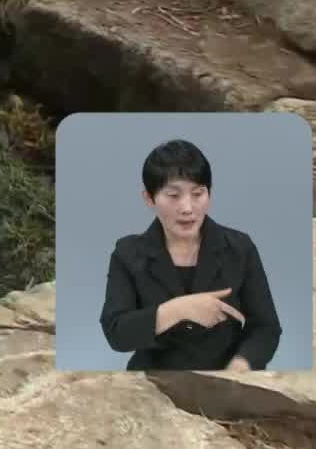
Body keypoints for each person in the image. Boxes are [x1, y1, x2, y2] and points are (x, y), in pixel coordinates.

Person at [98, 139, 282, 371]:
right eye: (173, 196)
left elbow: (266, 328)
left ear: (209, 194)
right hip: (152, 384)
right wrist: (178, 310)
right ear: (149, 198)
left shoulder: (239, 247)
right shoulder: (127, 253)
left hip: (228, 381)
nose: (187, 208)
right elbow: (116, 333)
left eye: (198, 193)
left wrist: (241, 365)